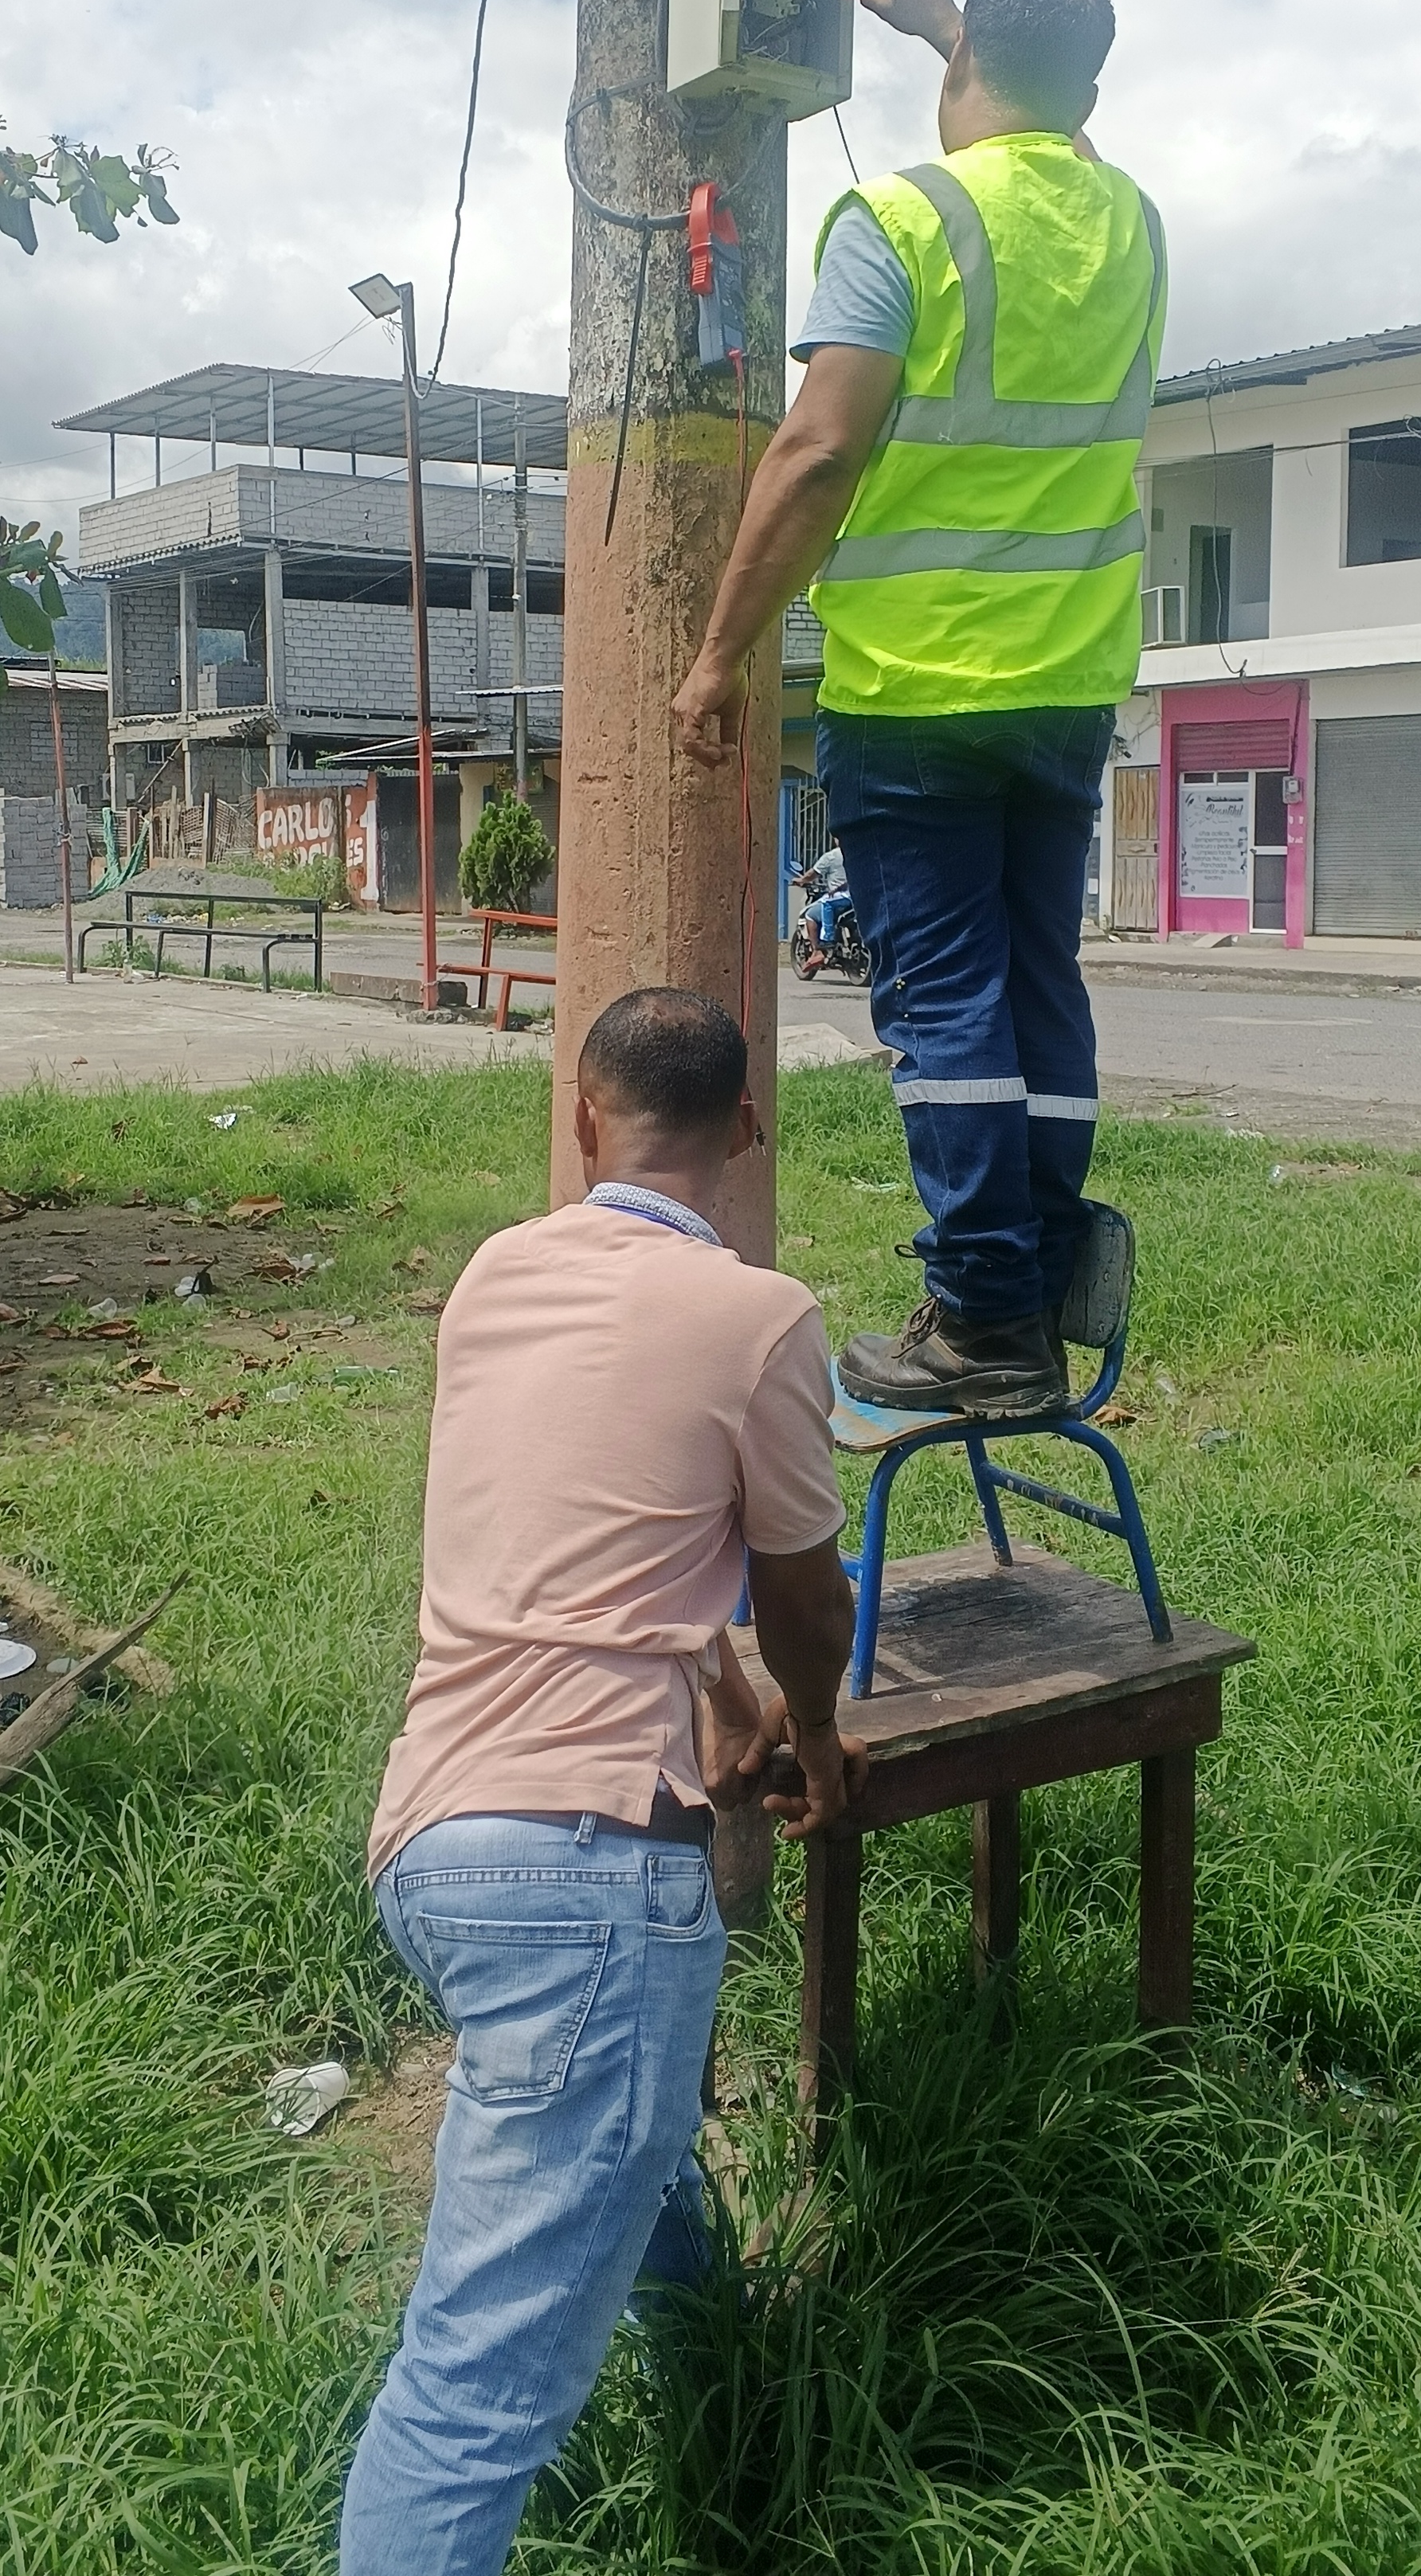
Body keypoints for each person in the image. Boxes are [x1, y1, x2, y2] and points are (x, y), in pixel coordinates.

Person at [340, 986, 862, 2576]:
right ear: (748, 1130)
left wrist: (717, 1689)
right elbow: (802, 1595)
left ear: (581, 1119)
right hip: (581, 1878)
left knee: (622, 2131)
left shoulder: (493, 1274)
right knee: (473, 2387)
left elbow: (600, 1549)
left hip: (433, 1831)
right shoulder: (759, 1317)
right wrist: (812, 1731)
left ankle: (718, 2370)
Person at [674, 0, 1166, 1419]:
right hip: (1066, 684)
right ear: (1086, 87)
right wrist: (957, 33)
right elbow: (1056, 136)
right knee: (1036, 987)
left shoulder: (899, 219)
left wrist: (720, 652)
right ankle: (1035, 1283)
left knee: (946, 1001)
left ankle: (983, 1319)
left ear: (965, 72)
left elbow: (819, 449)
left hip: (918, 687)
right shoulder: (1127, 219)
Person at [795, 836, 851, 968]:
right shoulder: (859, 854)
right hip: (857, 899)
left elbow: (812, 874)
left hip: (840, 899)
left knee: (811, 915)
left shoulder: (832, 856)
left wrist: (801, 880)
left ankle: (818, 951)